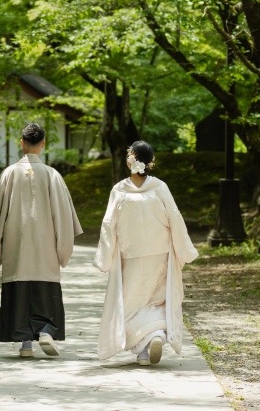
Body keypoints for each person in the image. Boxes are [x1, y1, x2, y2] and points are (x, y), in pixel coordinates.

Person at [0, 122, 83, 358]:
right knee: (44, 289)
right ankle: (46, 330)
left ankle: (25, 344)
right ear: (43, 144)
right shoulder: (52, 175)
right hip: (45, 244)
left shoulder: (9, 174)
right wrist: (62, 245)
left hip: (16, 245)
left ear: (22, 143)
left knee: (18, 291)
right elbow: (64, 216)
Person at [94, 140, 199, 365]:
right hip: (158, 254)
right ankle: (154, 337)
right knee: (156, 301)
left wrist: (104, 258)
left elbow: (108, 224)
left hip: (130, 256)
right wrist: (184, 251)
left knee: (131, 305)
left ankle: (146, 345)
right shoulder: (159, 187)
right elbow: (175, 218)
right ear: (150, 162)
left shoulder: (120, 190)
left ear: (130, 160)